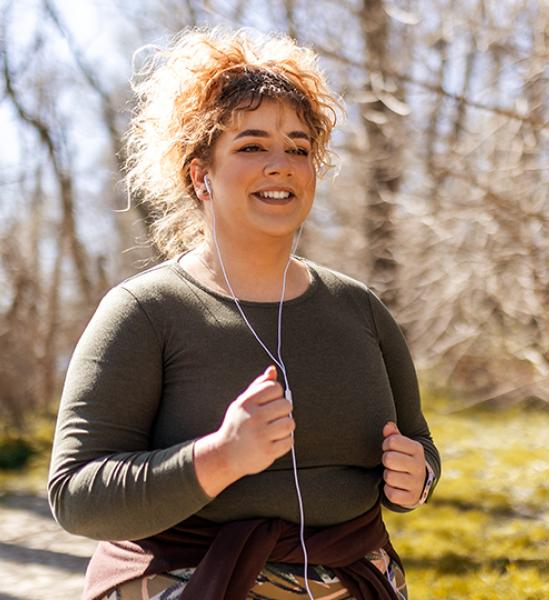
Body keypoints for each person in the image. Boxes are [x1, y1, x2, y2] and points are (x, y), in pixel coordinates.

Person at [47, 26, 440, 600]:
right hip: (194, 581)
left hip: (355, 579)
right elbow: (76, 496)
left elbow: (419, 443)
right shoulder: (145, 312)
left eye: (299, 148)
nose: (280, 164)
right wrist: (221, 456)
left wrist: (417, 477)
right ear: (200, 175)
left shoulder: (359, 309)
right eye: (251, 145)